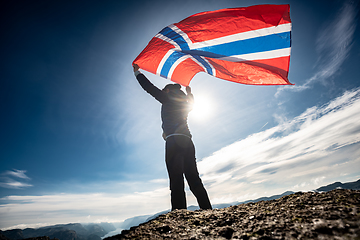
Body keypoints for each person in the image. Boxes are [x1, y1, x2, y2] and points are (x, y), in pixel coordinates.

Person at [132, 63, 212, 211]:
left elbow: (149, 88)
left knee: (176, 180)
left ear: (168, 90)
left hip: (174, 142)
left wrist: (138, 73)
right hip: (188, 141)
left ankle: (179, 214)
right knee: (193, 178)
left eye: (164, 90)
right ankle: (207, 209)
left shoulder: (167, 98)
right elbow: (192, 104)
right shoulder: (185, 104)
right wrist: (189, 93)